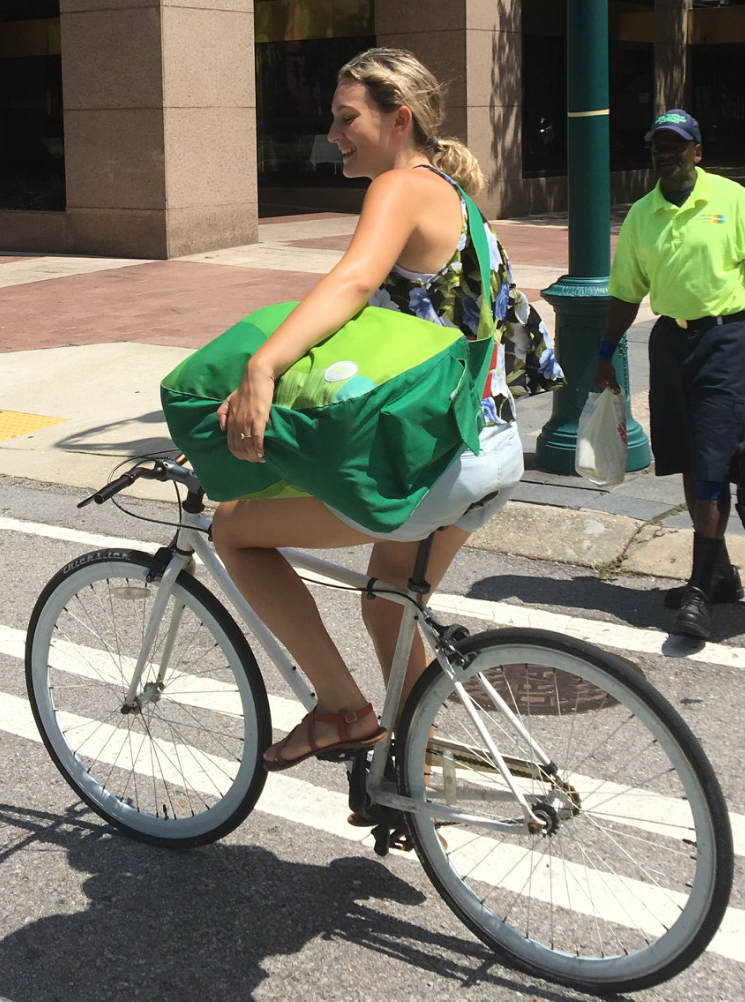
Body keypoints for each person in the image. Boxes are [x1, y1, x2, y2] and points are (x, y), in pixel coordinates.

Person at [212, 48, 563, 771]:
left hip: (434, 461)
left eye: (348, 118)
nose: (334, 133)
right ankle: (419, 768)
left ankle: (342, 710)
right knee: (386, 599)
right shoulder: (462, 202)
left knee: (233, 530)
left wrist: (261, 367)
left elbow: (350, 284)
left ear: (398, 119)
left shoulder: (401, 186)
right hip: (490, 449)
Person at [594, 109, 745, 641]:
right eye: (658, 145)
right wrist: (605, 352)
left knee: (711, 463)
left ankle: (700, 593)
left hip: (728, 339)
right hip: (671, 344)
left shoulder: (732, 200)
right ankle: (721, 575)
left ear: (697, 152)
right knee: (684, 454)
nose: (666, 153)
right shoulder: (642, 215)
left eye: (676, 146)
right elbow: (626, 291)